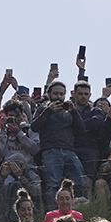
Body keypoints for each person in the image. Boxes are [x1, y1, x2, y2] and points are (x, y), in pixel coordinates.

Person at [31, 80, 87, 208]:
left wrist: (73, 112)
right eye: (55, 93)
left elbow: (82, 129)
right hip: (50, 150)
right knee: (52, 184)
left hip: (69, 150)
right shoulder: (42, 110)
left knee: (79, 180)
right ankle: (52, 212)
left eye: (62, 94)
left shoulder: (69, 111)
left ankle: (82, 209)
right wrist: (48, 111)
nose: (59, 97)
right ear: (49, 94)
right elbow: (34, 127)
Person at [0, 158, 43, 222]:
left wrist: (21, 177)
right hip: (7, 217)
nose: (15, 169)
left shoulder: (33, 177)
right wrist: (2, 177)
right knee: (12, 186)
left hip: (30, 215)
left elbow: (36, 194)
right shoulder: (7, 180)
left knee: (17, 185)